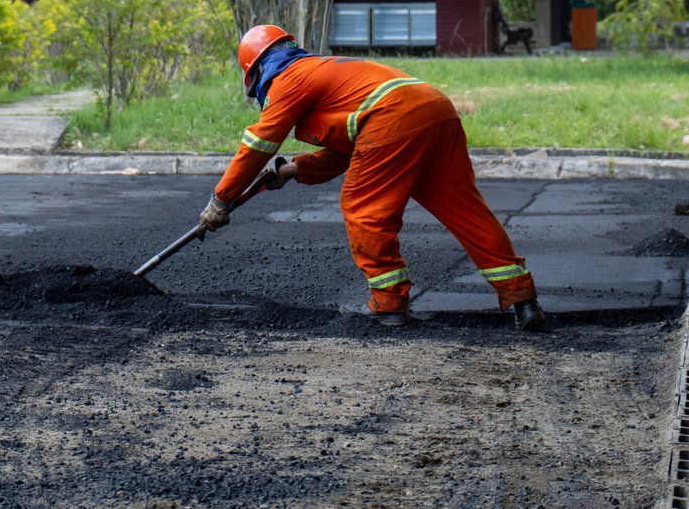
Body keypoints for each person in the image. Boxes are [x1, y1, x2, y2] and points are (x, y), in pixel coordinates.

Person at [199, 24, 548, 331]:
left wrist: (221, 198)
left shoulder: (289, 79)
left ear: (258, 69)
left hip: (394, 119)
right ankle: (522, 297)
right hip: (435, 110)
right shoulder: (324, 71)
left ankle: (388, 302)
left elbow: (258, 144)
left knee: (363, 206)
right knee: (465, 210)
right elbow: (353, 149)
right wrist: (294, 170)